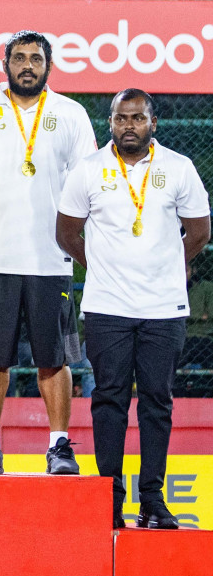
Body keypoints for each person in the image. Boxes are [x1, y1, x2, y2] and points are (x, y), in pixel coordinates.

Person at [57, 89, 210, 529]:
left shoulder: (178, 167)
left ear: (153, 123)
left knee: (157, 403)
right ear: (110, 122)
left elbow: (198, 232)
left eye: (138, 118)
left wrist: (167, 268)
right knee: (109, 401)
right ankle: (110, 497)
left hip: (164, 308)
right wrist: (101, 266)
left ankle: (152, 500)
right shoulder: (89, 170)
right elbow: (66, 232)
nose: (129, 125)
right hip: (107, 307)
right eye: (121, 118)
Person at [0, 30, 96, 475]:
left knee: (53, 357)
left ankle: (60, 446)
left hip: (51, 257)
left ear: (48, 65)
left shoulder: (72, 113)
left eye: (35, 58)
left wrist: (80, 247)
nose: (27, 65)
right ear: (5, 65)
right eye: (19, 58)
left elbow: (88, 187)